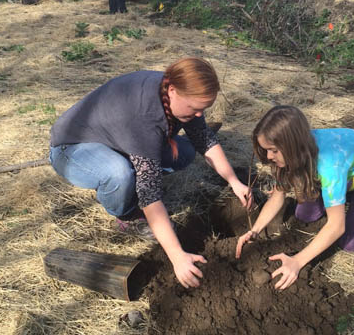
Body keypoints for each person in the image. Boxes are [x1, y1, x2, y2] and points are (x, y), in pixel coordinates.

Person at [50, 57, 251, 289]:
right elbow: (150, 196)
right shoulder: (143, 117)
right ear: (173, 91)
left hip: (119, 138)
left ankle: (133, 162)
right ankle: (126, 215)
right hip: (73, 149)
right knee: (120, 174)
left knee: (184, 153)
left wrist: (233, 181)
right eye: (195, 109)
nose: (199, 115)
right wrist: (177, 256)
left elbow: (203, 138)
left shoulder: (179, 93)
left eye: (203, 109)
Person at [236, 106, 354, 290]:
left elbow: (337, 226)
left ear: (291, 145)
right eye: (266, 150)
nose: (269, 156)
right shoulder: (293, 152)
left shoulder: (329, 167)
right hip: (342, 167)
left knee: (352, 244)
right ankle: (341, 194)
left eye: (273, 150)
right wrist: (254, 230)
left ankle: (352, 196)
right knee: (304, 216)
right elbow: (277, 197)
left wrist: (297, 261)